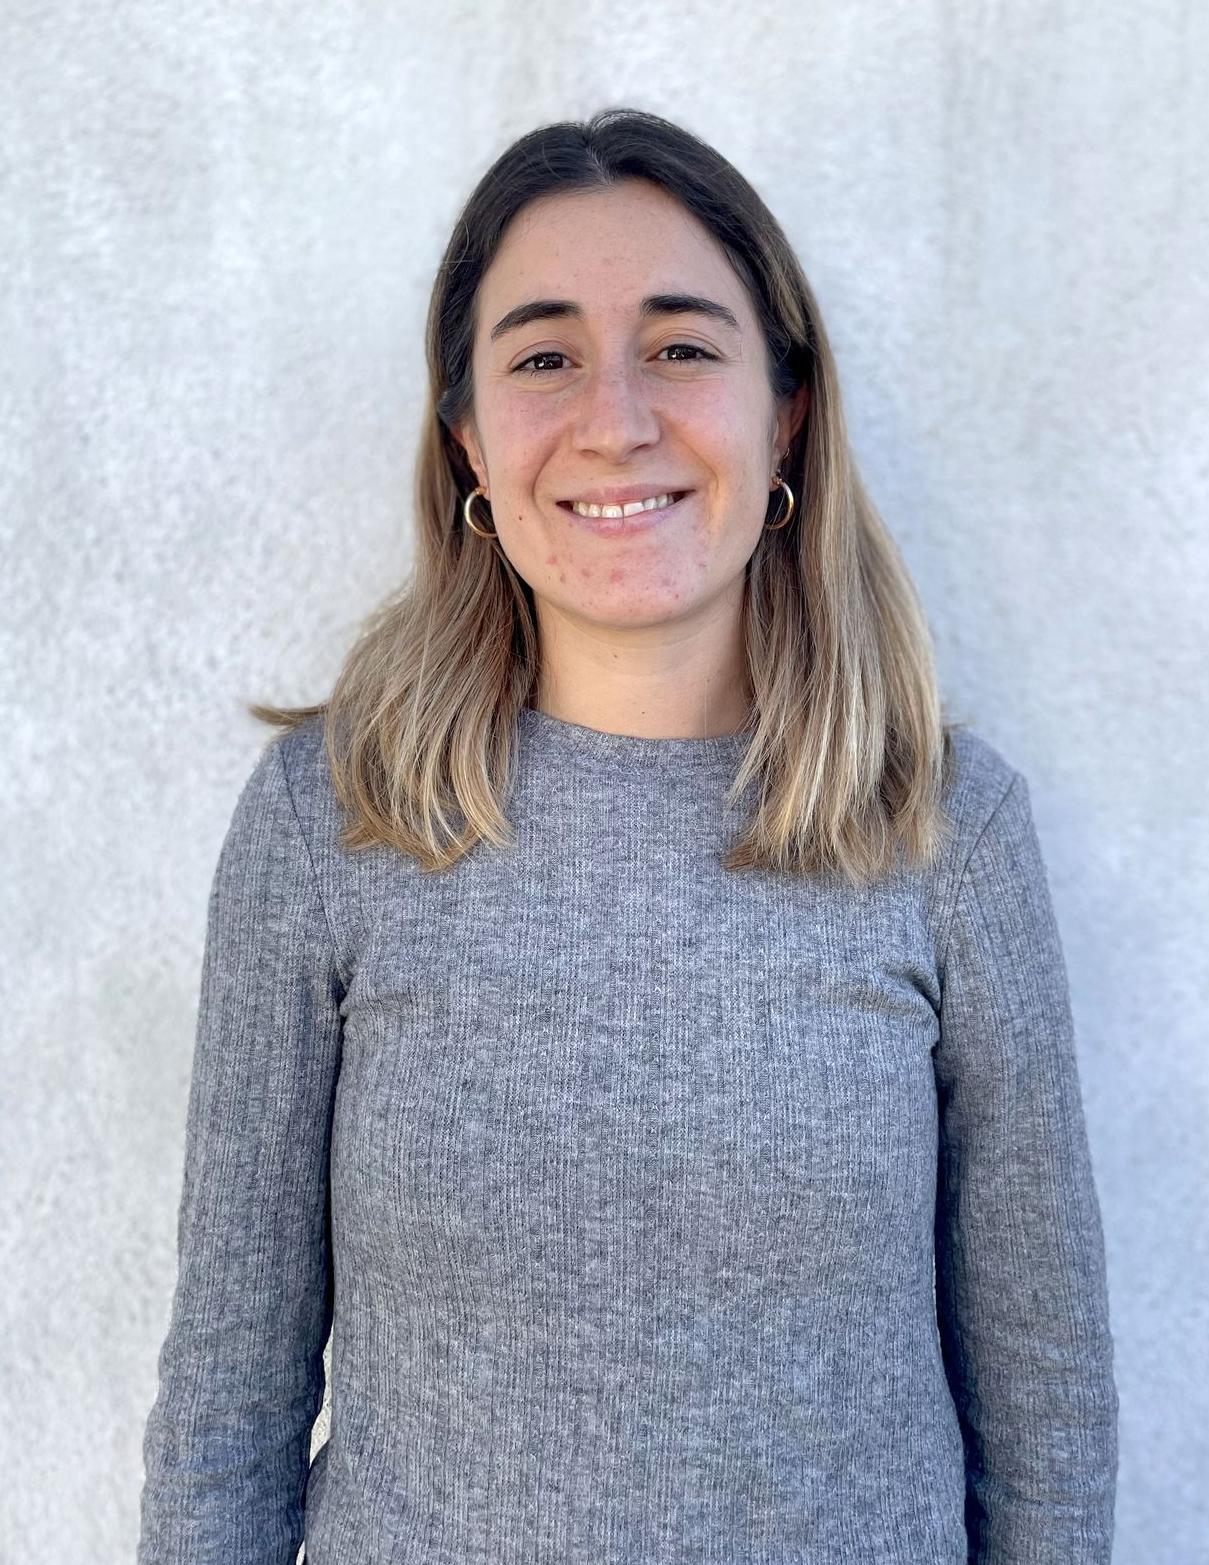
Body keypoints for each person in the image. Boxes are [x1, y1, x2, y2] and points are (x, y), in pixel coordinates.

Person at [136, 107, 1119, 1564]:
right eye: (543, 357)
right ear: (468, 440)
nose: (616, 419)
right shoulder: (332, 820)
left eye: (680, 346)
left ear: (785, 413)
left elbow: (1047, 1412)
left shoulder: (941, 829)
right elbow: (228, 1404)